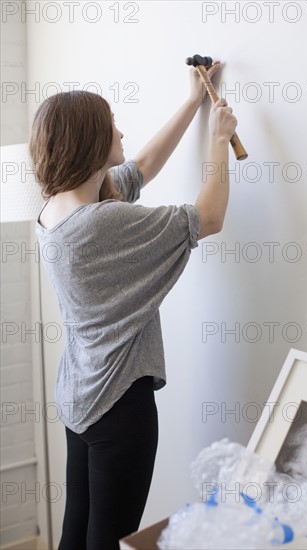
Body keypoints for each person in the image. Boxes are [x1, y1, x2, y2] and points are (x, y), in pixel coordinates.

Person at [30, 63, 237, 550]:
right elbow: (209, 216)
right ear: (88, 143)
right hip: (119, 403)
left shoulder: (57, 208)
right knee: (109, 540)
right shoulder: (101, 225)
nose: (121, 131)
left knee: (76, 533)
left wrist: (191, 102)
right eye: (111, 126)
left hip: (80, 395)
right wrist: (218, 140)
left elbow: (143, 163)